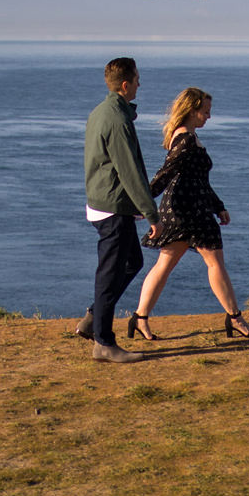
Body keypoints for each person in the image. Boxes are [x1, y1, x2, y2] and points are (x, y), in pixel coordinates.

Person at [130, 87, 249, 340]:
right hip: (188, 212)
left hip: (188, 209)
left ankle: (140, 318)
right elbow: (164, 175)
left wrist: (218, 206)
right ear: (192, 110)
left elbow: (197, 179)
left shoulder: (188, 137)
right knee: (213, 263)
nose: (209, 116)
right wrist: (142, 204)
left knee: (166, 265)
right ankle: (235, 318)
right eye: (205, 111)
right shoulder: (185, 140)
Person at [76, 57, 161, 363]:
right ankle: (103, 342)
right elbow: (130, 172)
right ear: (125, 85)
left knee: (131, 262)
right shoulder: (116, 119)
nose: (140, 84)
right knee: (109, 273)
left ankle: (94, 318)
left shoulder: (102, 112)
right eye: (137, 79)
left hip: (104, 201)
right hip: (112, 207)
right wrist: (151, 213)